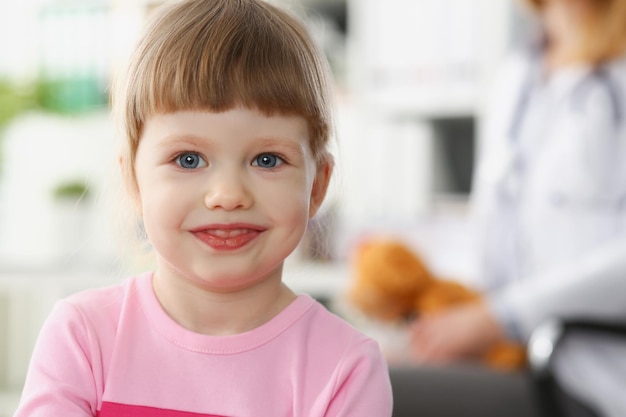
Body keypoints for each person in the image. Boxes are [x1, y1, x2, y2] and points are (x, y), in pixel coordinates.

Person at [12, 1, 393, 416]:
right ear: (133, 180)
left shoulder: (345, 367)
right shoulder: (82, 336)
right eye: (188, 159)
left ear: (317, 184)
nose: (227, 195)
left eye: (267, 159)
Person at [407, 0, 626, 416]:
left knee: (372, 396)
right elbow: (495, 230)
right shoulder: (518, 72)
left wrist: (502, 317)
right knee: (345, 371)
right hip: (509, 357)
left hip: (592, 376)